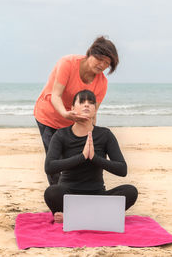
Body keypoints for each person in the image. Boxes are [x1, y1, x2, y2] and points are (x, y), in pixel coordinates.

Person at [34, 36, 119, 185]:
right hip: (49, 116)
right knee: (55, 161)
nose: (102, 65)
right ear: (91, 53)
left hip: (73, 123)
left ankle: (74, 196)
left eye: (107, 63)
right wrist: (65, 114)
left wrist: (92, 134)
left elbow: (93, 113)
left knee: (77, 159)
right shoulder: (68, 63)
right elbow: (56, 95)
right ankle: (59, 201)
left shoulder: (102, 83)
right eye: (100, 59)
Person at [43, 90, 138, 223]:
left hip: (97, 195)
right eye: (82, 102)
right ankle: (97, 216)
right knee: (51, 192)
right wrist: (82, 157)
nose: (86, 105)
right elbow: (49, 167)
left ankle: (75, 216)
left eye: (91, 103)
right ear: (72, 108)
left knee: (130, 191)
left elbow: (122, 169)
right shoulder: (61, 135)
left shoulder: (105, 134)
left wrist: (95, 158)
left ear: (95, 109)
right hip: (69, 195)